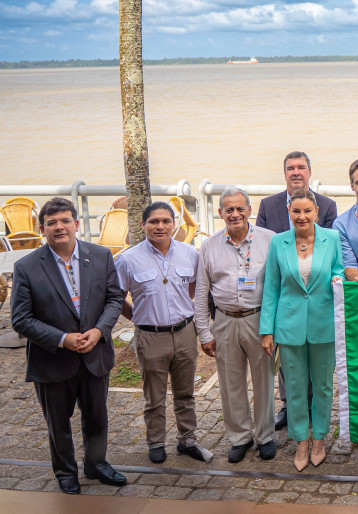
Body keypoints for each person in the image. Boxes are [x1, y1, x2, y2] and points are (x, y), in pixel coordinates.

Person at [11, 197, 126, 494]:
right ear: (42, 229)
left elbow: (115, 299)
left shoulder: (101, 255)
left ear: (76, 224)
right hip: (52, 359)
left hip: (95, 354)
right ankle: (65, 471)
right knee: (58, 423)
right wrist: (63, 339)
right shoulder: (26, 266)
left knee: (97, 417)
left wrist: (100, 331)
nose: (59, 227)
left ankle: (97, 464)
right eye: (51, 223)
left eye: (64, 221)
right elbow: (21, 319)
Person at [115, 202, 212, 464]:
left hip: (184, 333)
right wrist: (135, 317)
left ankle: (188, 440)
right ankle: (156, 442)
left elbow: (195, 291)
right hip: (150, 335)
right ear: (143, 225)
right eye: (154, 221)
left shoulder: (190, 253)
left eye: (166, 221)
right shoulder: (127, 259)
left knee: (185, 392)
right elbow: (116, 297)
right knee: (154, 396)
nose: (160, 226)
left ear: (174, 224)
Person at [260, 189, 344, 472]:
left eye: (307, 211)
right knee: (295, 389)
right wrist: (266, 330)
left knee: (322, 386)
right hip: (289, 326)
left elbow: (340, 270)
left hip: (324, 324)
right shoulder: (278, 242)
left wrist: (337, 277)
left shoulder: (331, 238)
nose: (302, 216)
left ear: (316, 212)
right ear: (289, 213)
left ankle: (319, 438)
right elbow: (271, 287)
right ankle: (301, 441)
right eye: (296, 211)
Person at [194, 187, 277, 463]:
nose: (235, 214)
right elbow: (201, 292)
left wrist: (272, 328)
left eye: (240, 208)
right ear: (220, 213)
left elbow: (277, 287)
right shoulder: (208, 246)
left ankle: (266, 436)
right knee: (231, 383)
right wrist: (205, 332)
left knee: (264, 379)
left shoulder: (270, 240)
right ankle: (240, 437)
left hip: (259, 319)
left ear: (250, 211)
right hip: (225, 320)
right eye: (228, 209)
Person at [256, 150, 337, 431]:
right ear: (285, 173)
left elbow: (330, 256)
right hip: (288, 306)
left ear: (309, 171)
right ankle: (290, 407)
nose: (296, 172)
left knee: (321, 378)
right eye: (290, 168)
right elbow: (264, 251)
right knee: (290, 374)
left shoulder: (327, 205)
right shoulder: (269, 206)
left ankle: (316, 420)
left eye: (301, 167)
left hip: (319, 308)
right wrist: (267, 327)